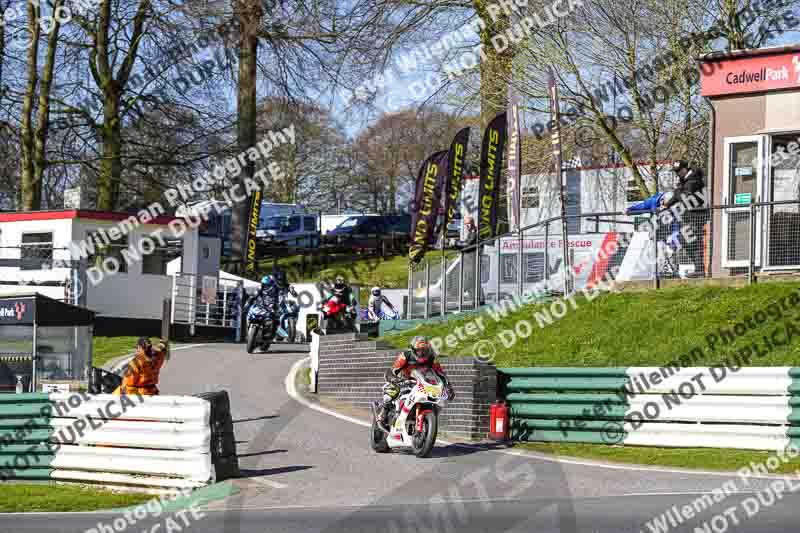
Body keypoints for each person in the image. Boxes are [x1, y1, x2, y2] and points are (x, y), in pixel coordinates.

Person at [376, 336, 455, 428]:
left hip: (420, 382)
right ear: (413, 350)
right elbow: (392, 370)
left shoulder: (431, 358)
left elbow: (440, 373)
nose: (422, 353)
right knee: (392, 391)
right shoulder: (405, 355)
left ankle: (427, 421)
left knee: (436, 396)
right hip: (403, 380)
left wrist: (448, 387)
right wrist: (395, 379)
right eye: (419, 351)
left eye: (424, 350)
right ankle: (383, 413)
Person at [661, 160, 707, 277]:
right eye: (676, 172)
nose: (677, 174)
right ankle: (699, 269)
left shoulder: (693, 180)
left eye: (679, 171)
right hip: (689, 217)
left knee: (689, 241)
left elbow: (685, 197)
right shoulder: (685, 181)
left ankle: (700, 269)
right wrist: (666, 205)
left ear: (685, 169)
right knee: (688, 242)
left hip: (696, 216)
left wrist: (678, 191)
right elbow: (678, 195)